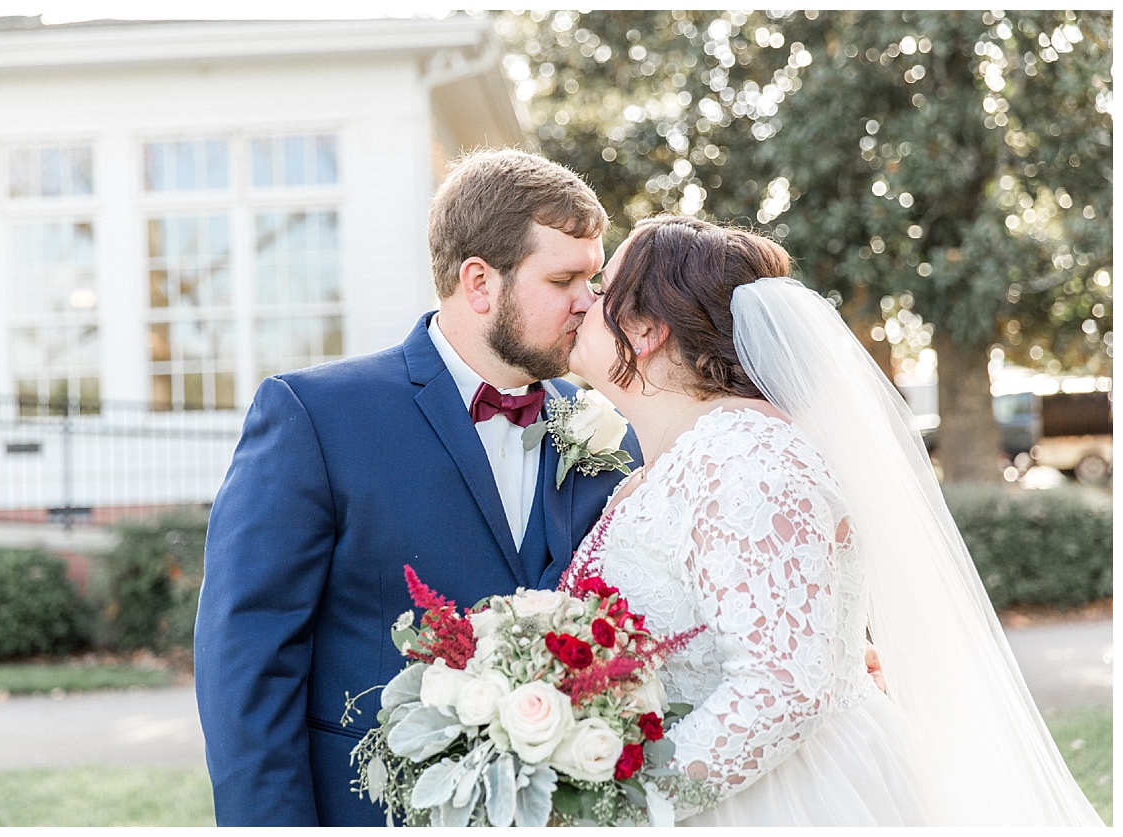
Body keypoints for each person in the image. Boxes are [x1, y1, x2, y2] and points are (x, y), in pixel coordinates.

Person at [561, 215, 1101, 825]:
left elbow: (783, 687)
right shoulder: (677, 459)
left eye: (603, 289)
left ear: (647, 329)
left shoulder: (747, 457)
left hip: (781, 800)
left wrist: (624, 802)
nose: (584, 302)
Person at [194, 149, 641, 826]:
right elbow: (246, 661)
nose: (590, 301)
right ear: (479, 282)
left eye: (593, 276)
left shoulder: (607, 436)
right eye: (564, 278)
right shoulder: (315, 417)